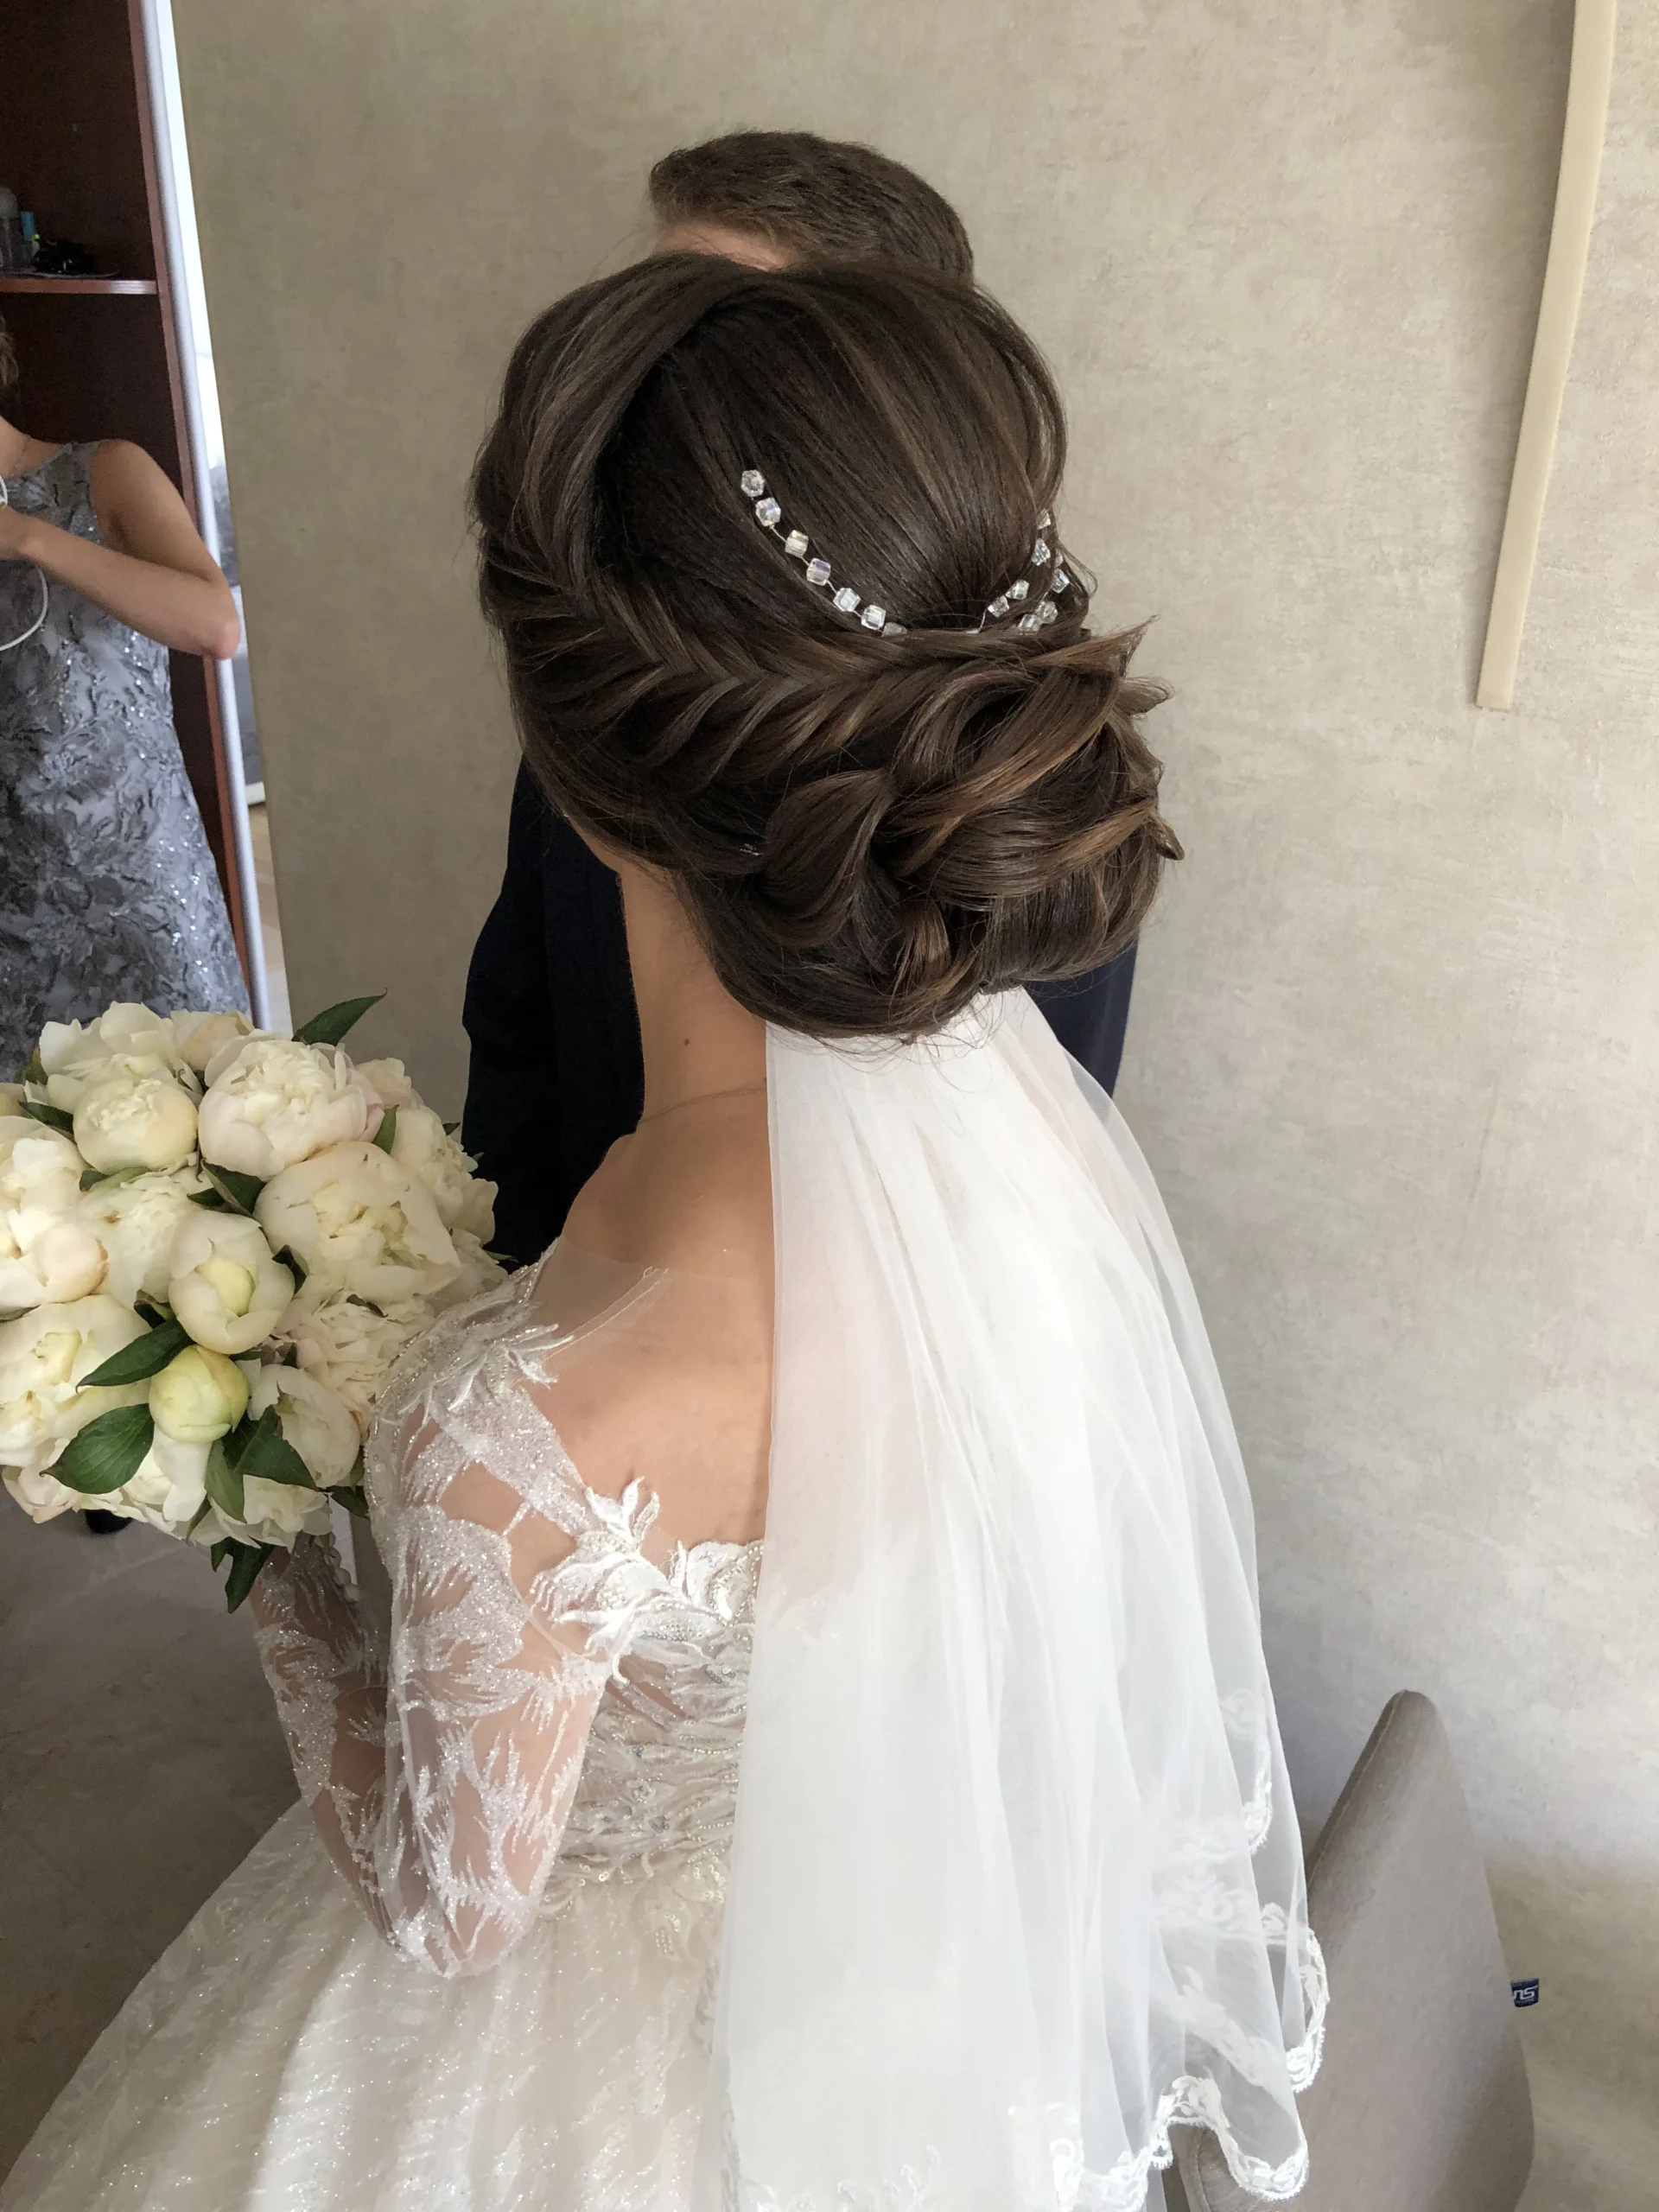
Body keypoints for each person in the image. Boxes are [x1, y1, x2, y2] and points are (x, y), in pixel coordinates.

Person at [0, 257, 1323, 2212]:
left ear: (571, 753)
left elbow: (451, 1912)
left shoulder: (532, 1427)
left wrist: (258, 1515)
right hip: (914, 1998)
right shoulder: (1038, 1175)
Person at [462, 130, 1140, 1264]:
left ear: (890, 397)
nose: (654, 402)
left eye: (722, 345)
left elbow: (1030, 1155)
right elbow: (518, 1018)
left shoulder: (1020, 750)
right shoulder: (600, 690)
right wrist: (528, 1289)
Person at [0, 321, 247, 1084]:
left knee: (198, 1117)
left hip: (139, 898)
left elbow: (215, 626)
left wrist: (30, 539)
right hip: (9, 920)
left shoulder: (104, 472)